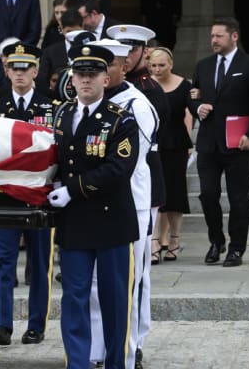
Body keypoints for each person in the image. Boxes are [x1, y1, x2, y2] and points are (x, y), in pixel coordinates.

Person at [47, 44, 139, 369]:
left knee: (115, 303)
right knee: (74, 298)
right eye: (80, 74)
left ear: (105, 79)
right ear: (71, 78)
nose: (85, 80)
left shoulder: (121, 120)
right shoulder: (61, 115)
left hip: (111, 223)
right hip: (74, 225)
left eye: (93, 74)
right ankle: (78, 364)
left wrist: (72, 189)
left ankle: (116, 364)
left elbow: (118, 169)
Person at [88, 38, 158, 369]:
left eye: (108, 66)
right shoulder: (88, 101)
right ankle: (99, 347)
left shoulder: (137, 105)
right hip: (94, 202)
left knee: (131, 280)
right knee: (95, 284)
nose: (101, 73)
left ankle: (133, 344)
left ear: (123, 67)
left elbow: (130, 160)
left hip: (130, 201)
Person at [0, 43, 56, 347]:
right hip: (5, 193)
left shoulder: (50, 105)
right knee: (4, 260)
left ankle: (36, 325)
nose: (19, 73)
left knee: (40, 262)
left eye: (25, 67)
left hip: (39, 193)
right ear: (7, 70)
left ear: (36, 71)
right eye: (14, 67)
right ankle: (2, 324)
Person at [187, 17, 249, 267]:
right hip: (209, 142)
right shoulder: (203, 66)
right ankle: (216, 241)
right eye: (212, 36)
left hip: (239, 143)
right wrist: (198, 107)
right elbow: (194, 95)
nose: (213, 40)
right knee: (208, 194)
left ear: (234, 36)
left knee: (238, 199)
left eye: (219, 36)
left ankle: (236, 248)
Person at [149, 47, 193, 263]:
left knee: (175, 195)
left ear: (171, 64)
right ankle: (155, 241)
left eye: (161, 65)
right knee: (155, 194)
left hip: (176, 145)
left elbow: (191, 110)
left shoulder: (184, 85)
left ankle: (174, 239)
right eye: (154, 65)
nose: (157, 70)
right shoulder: (146, 86)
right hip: (153, 145)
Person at [36, 8, 86, 97]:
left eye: (76, 31)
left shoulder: (90, 49)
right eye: (69, 31)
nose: (73, 36)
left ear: (83, 27)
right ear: (61, 29)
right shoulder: (50, 52)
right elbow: (41, 83)